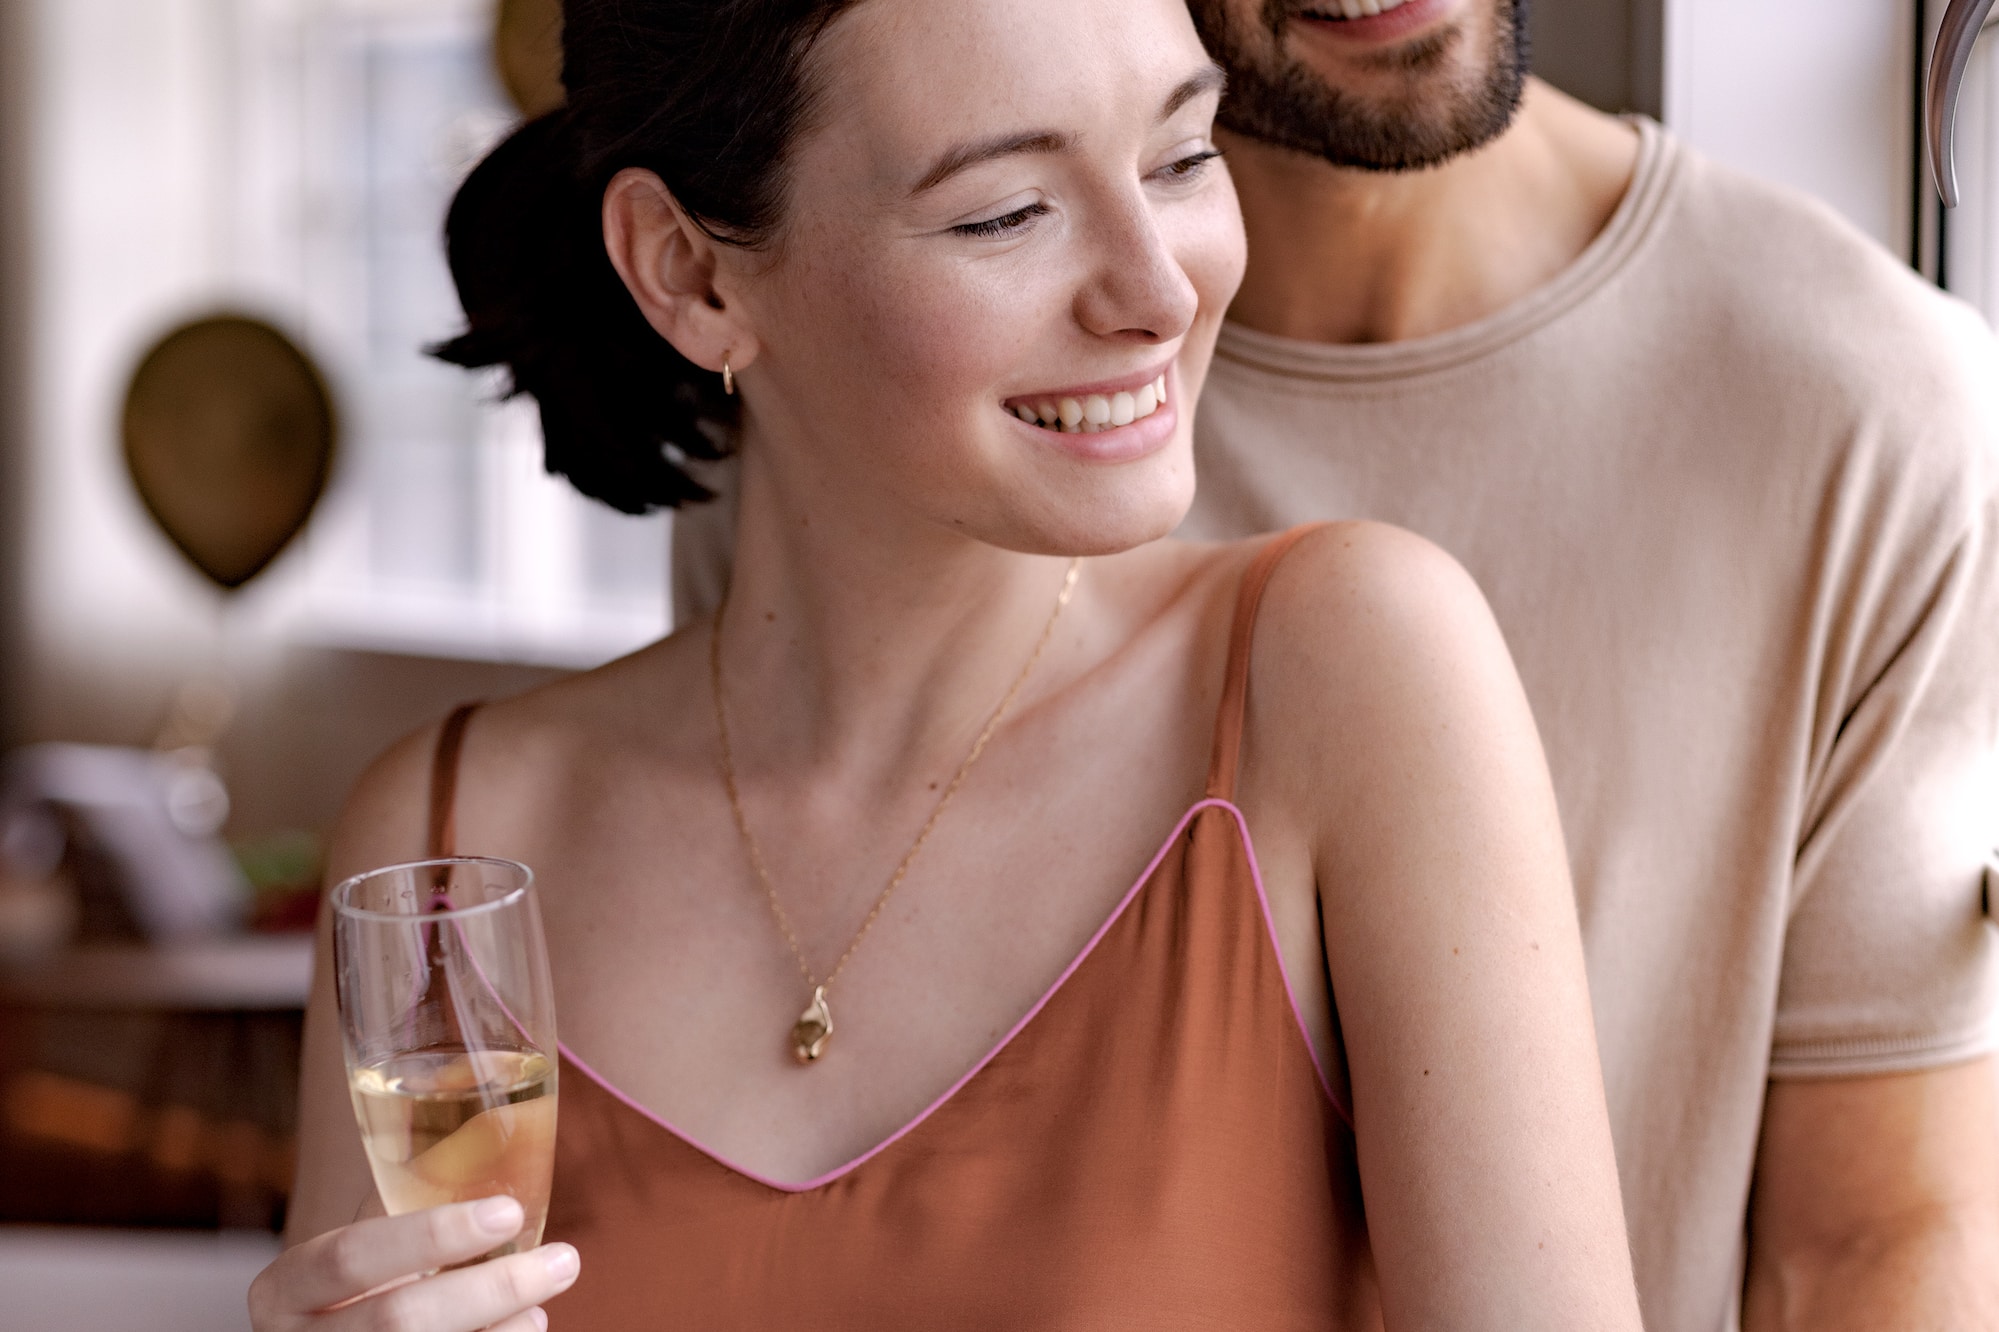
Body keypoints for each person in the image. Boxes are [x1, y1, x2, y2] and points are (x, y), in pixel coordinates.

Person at [250, 0, 1646, 1328]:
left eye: (1180, 157)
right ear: (688, 271)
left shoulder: (1346, 675)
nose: (1157, 291)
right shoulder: (452, 841)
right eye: (1007, 213)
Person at [672, 4, 1999, 1330]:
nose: (1138, 302)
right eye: (1006, 216)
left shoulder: (1867, 411)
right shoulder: (898, 397)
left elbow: (1876, 1248)